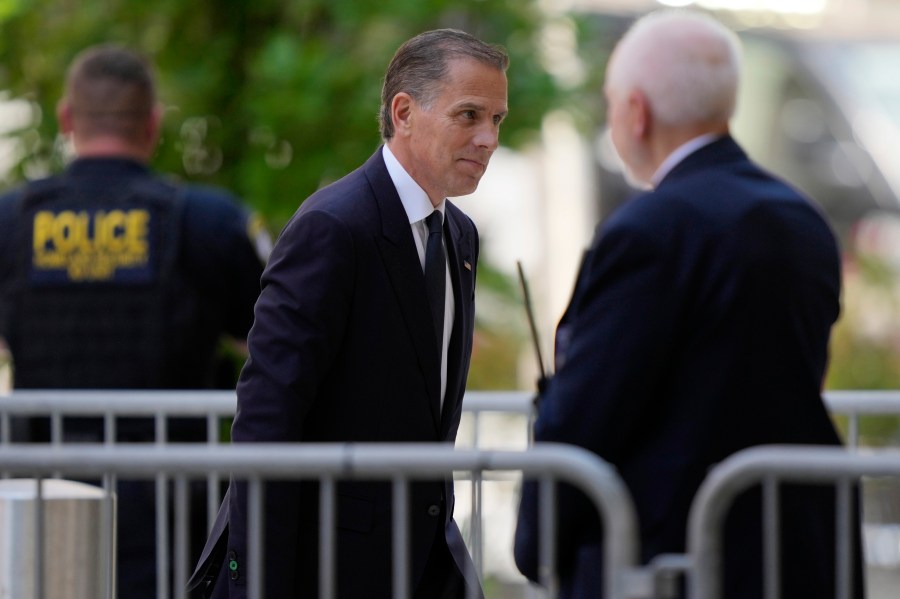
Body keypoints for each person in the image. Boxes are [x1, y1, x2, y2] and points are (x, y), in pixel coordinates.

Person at [514, 10, 864, 599]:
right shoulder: (800, 217)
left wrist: (538, 540)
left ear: (637, 111)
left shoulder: (648, 230)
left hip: (669, 560)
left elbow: (594, 406)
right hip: (796, 549)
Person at [188, 28, 509, 598]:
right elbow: (269, 414)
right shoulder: (334, 226)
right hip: (328, 565)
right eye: (469, 115)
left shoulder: (459, 234)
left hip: (423, 557)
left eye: (497, 120)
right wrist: (256, 578)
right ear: (404, 113)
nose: (488, 138)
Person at [0, 45, 268, 599]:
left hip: (39, 501)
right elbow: (274, 346)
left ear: (68, 119)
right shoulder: (208, 221)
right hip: (174, 512)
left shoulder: (9, 223)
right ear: (152, 123)